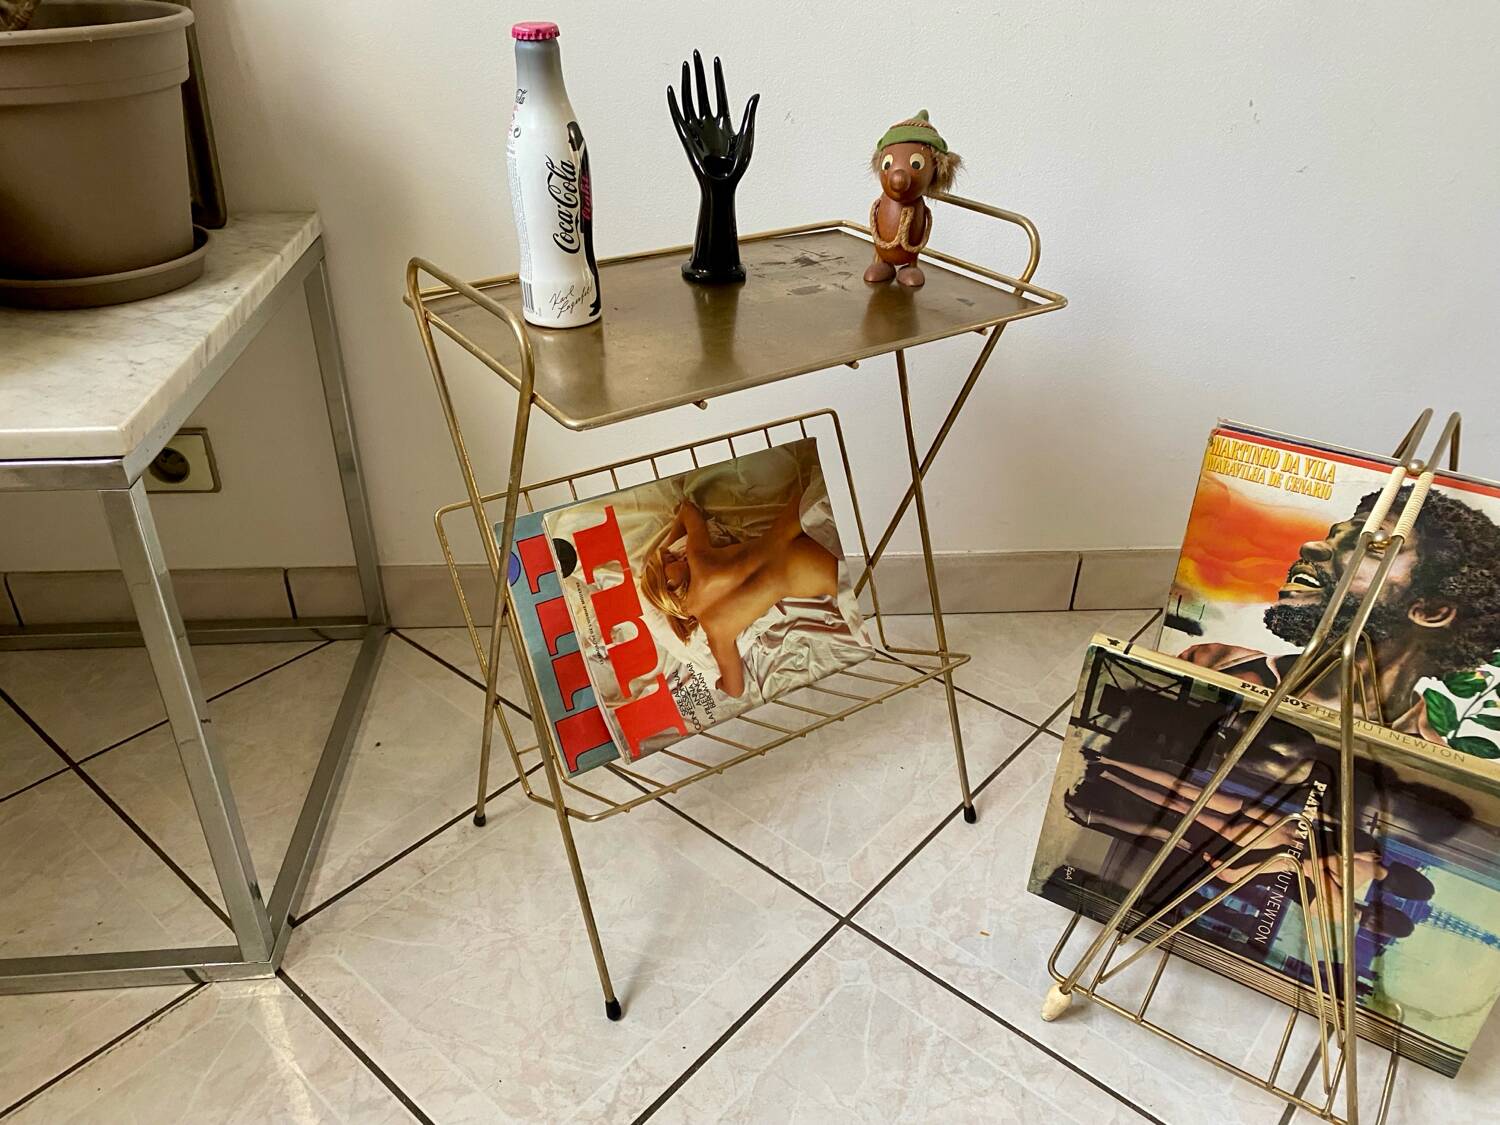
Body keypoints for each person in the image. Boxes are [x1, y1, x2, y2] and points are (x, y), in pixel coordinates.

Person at [1180, 485, 1500, 737]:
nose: (1313, 547)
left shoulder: (1425, 759)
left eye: (1372, 546)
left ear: (1431, 611)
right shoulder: (1213, 663)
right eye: (1335, 535)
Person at [638, 486, 839, 698]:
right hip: (800, 527)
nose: (676, 554)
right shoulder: (698, 560)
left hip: (811, 575)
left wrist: (716, 683)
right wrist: (665, 549)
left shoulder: (716, 633)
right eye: (668, 560)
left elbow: (735, 690)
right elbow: (688, 509)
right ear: (667, 585)